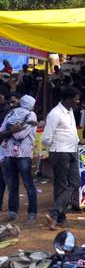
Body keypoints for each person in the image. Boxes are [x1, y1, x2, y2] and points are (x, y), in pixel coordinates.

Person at [43, 87, 83, 230]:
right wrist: (58, 145)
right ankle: (59, 218)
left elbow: (72, 130)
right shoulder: (55, 114)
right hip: (60, 152)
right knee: (61, 184)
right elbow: (46, 138)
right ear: (68, 99)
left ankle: (54, 213)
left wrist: (77, 141)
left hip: (72, 150)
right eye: (76, 99)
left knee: (75, 182)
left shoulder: (70, 111)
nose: (78, 101)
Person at [0, 94, 38, 222]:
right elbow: (14, 133)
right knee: (20, 184)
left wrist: (10, 130)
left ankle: (29, 212)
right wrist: (14, 130)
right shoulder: (30, 115)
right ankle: (16, 212)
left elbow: (17, 135)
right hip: (15, 154)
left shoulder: (15, 114)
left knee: (19, 184)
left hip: (18, 154)